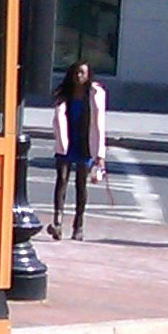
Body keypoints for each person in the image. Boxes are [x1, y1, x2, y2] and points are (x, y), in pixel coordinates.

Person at [47, 61, 108, 240]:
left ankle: (78, 225)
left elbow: (100, 125)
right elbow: (58, 119)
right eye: (75, 73)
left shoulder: (94, 95)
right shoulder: (64, 94)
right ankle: (57, 223)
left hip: (85, 144)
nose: (78, 76)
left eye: (82, 73)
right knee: (62, 180)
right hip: (66, 143)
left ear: (88, 76)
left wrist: (100, 155)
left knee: (81, 184)